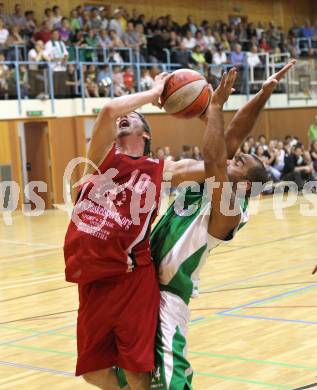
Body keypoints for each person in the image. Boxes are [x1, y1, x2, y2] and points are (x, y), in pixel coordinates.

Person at [117, 60, 296, 390]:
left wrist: (214, 106)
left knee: (169, 382)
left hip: (168, 297)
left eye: (239, 162)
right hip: (141, 285)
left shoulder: (230, 210)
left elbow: (216, 157)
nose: (232, 158)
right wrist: (262, 93)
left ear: (244, 185)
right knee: (125, 377)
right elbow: (232, 137)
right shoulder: (214, 183)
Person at [65, 71, 231, 390]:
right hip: (92, 281)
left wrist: (211, 114)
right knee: (93, 371)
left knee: (138, 371)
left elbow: (218, 163)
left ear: (146, 134)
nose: (125, 117)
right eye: (125, 115)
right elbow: (109, 110)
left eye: (134, 116)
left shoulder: (160, 170)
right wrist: (154, 91)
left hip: (133, 278)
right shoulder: (98, 159)